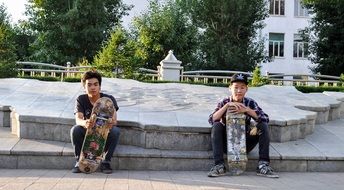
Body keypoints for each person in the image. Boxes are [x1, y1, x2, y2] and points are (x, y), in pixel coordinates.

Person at [207, 73, 278, 178]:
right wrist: (226, 106)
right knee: (217, 126)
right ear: (230, 88)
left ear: (246, 89)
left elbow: (265, 119)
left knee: (262, 126)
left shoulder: (250, 102)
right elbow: (211, 119)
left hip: (245, 143)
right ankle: (219, 166)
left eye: (242, 87)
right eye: (236, 87)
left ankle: (263, 165)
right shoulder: (224, 102)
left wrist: (247, 110)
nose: (239, 91)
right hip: (227, 143)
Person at [70, 70, 120, 174]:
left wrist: (111, 123)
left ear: (100, 86)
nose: (93, 87)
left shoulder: (108, 99)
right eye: (89, 85)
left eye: (96, 84)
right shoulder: (81, 99)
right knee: (75, 129)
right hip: (88, 133)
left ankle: (106, 162)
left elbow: (115, 120)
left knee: (115, 131)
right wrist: (85, 123)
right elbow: (78, 119)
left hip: (103, 133)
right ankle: (79, 161)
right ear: (84, 87)